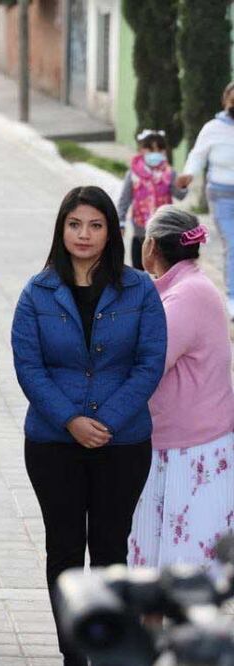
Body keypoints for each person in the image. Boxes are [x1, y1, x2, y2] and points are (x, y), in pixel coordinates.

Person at [11, 185, 166, 666]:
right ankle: (72, 653)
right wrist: (72, 420)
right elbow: (29, 367)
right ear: (61, 229)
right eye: (75, 224)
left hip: (123, 444)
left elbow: (149, 363)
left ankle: (108, 650)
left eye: (95, 225)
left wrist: (107, 421)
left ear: (111, 231)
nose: (84, 234)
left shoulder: (139, 288)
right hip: (53, 443)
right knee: (62, 550)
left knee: (110, 550)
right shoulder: (37, 292)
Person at [129, 206, 234, 576]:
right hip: (181, 444)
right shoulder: (190, 287)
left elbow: (146, 364)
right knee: (158, 565)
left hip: (191, 452)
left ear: (151, 246)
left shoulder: (186, 297)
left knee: (178, 572)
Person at [177, 81, 234, 318]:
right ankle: (232, 298)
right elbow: (197, 155)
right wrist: (189, 173)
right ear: (225, 101)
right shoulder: (213, 128)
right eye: (233, 97)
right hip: (222, 196)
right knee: (233, 244)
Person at [116, 129, 187, 270]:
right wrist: (121, 223)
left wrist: (183, 185)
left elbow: (180, 195)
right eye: (151, 149)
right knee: (138, 269)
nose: (155, 153)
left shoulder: (169, 173)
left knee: (163, 269)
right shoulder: (133, 174)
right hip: (140, 231)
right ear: (141, 150)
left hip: (164, 232)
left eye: (159, 150)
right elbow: (124, 200)